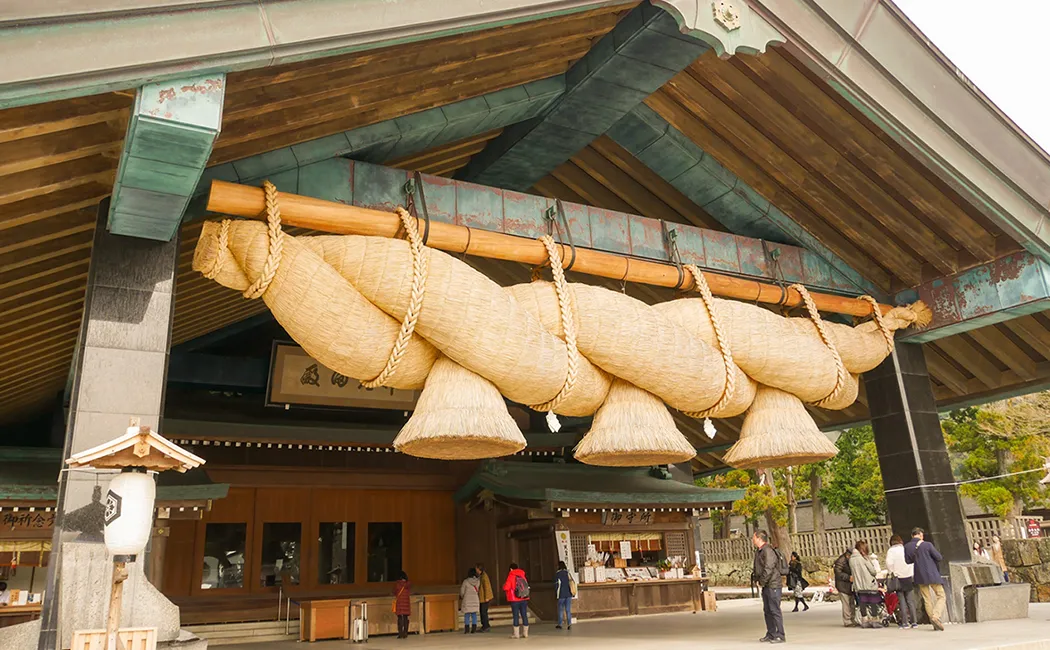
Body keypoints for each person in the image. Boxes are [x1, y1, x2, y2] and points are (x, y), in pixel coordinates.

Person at [904, 527, 946, 631]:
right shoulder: (927, 545)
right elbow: (939, 557)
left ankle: (934, 622)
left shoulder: (907, 546)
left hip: (919, 575)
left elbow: (908, 561)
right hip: (932, 574)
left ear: (912, 535)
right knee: (941, 595)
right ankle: (936, 616)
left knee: (927, 599)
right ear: (920, 535)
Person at [752, 529, 785, 644]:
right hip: (766, 585)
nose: (752, 539)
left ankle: (780, 634)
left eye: (754, 537)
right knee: (767, 611)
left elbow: (768, 568)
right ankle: (771, 633)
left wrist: (762, 581)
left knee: (774, 610)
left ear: (759, 538)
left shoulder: (768, 550)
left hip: (773, 584)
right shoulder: (759, 551)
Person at [885, 534, 918, 629]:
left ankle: (905, 623)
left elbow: (889, 564)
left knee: (902, 601)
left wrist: (892, 572)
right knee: (910, 601)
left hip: (898, 577)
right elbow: (911, 562)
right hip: (908, 576)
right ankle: (914, 622)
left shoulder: (891, 551)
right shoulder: (905, 549)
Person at [849, 540, 883, 628]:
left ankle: (864, 620)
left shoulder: (851, 559)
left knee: (862, 602)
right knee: (873, 601)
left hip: (859, 584)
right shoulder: (864, 558)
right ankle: (875, 620)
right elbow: (873, 571)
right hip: (869, 583)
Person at [503, 562, 530, 639]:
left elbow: (507, 587)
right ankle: (525, 633)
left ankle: (516, 634)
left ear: (511, 569)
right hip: (523, 598)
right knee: (524, 615)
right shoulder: (522, 575)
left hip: (514, 599)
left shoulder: (511, 576)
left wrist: (504, 586)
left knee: (515, 616)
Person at [833, 546, 858, 627]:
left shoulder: (850, 560)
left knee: (851, 603)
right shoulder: (841, 561)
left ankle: (853, 619)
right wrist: (848, 577)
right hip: (842, 585)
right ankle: (847, 621)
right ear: (848, 555)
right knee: (846, 603)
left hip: (850, 585)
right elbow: (838, 573)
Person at [460, 568, 481, 634]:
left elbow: (462, 591)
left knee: (467, 615)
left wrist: (462, 596)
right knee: (474, 614)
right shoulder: (478, 581)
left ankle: (467, 629)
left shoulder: (465, 581)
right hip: (475, 599)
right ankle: (474, 629)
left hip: (467, 599)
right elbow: (478, 590)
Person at [554, 560, 574, 630]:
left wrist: (556, 593)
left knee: (560, 610)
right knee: (568, 610)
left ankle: (560, 624)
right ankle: (569, 624)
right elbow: (572, 582)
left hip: (561, 594)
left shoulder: (558, 574)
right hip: (568, 594)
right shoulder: (568, 573)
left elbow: (557, 585)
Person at [393, 571, 412, 639]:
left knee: (400, 618)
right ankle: (405, 633)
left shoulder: (397, 584)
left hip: (399, 603)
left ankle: (400, 633)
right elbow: (409, 592)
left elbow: (394, 592)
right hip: (406, 603)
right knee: (405, 618)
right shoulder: (408, 584)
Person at [475, 563, 494, 631]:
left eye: (476, 568)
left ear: (478, 569)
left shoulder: (484, 576)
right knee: (482, 612)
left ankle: (485, 626)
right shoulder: (481, 575)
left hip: (484, 597)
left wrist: (487, 597)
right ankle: (485, 625)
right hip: (482, 597)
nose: (476, 570)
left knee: (483, 612)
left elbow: (487, 587)